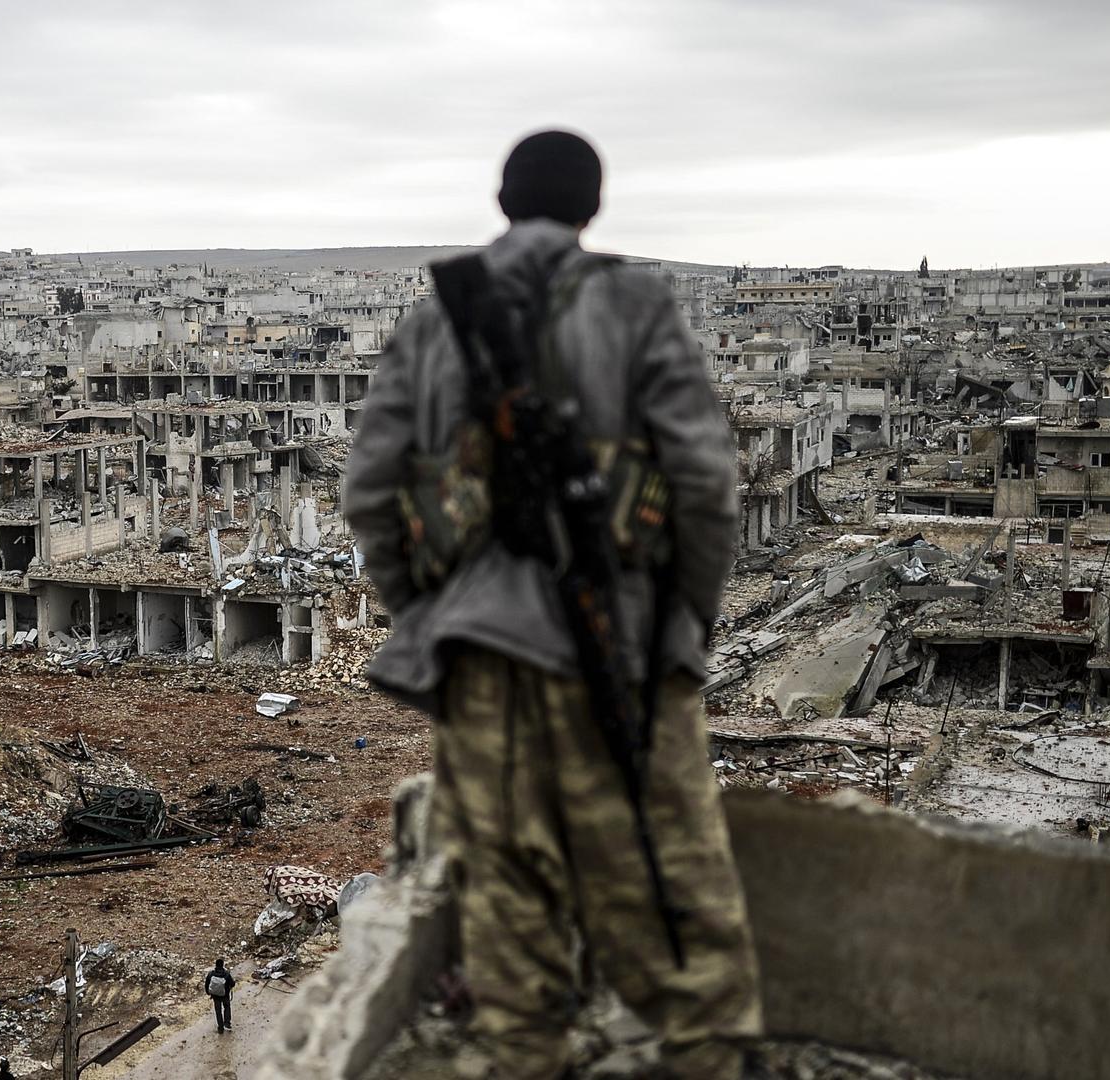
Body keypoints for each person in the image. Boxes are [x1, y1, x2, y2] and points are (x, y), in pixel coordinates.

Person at [343, 130, 762, 1080]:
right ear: (593, 208)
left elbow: (371, 495)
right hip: (625, 645)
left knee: (510, 912)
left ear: (501, 201)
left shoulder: (432, 320)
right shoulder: (635, 305)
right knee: (674, 892)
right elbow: (703, 482)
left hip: (484, 658)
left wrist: (432, 613)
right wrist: (682, 621)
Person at [203, 958, 235, 1033]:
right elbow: (232, 983)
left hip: (215, 996)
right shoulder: (226, 974)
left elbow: (207, 984)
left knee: (218, 1011)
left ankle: (220, 1028)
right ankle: (227, 1023)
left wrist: (208, 992)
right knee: (227, 1007)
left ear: (216, 965)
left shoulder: (211, 974)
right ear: (223, 965)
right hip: (225, 995)